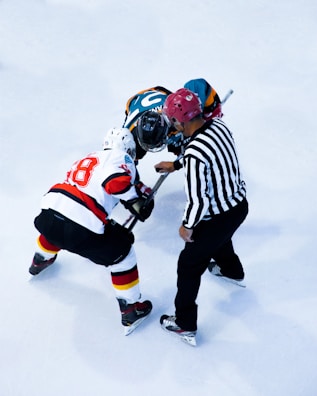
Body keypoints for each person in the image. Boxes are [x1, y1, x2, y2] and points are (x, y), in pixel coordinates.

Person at [29, 127, 154, 335]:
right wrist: (135, 200)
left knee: (58, 227)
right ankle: (131, 309)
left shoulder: (91, 156)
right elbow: (115, 182)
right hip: (79, 226)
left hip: (50, 212)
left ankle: (39, 260)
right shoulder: (121, 157)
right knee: (124, 255)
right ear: (128, 148)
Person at [159, 88, 248, 346]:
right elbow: (208, 157)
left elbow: (199, 201)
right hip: (238, 205)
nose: (172, 125)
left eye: (173, 120)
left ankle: (184, 324)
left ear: (182, 121)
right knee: (220, 237)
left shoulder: (195, 152)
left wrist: (186, 226)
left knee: (188, 264)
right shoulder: (218, 126)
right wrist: (175, 164)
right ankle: (232, 271)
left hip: (218, 215)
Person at [123, 79, 222, 168]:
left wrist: (210, 111)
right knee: (132, 154)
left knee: (191, 123)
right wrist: (134, 181)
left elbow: (197, 85)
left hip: (161, 98)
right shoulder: (127, 136)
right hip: (138, 103)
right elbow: (122, 160)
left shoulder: (174, 112)